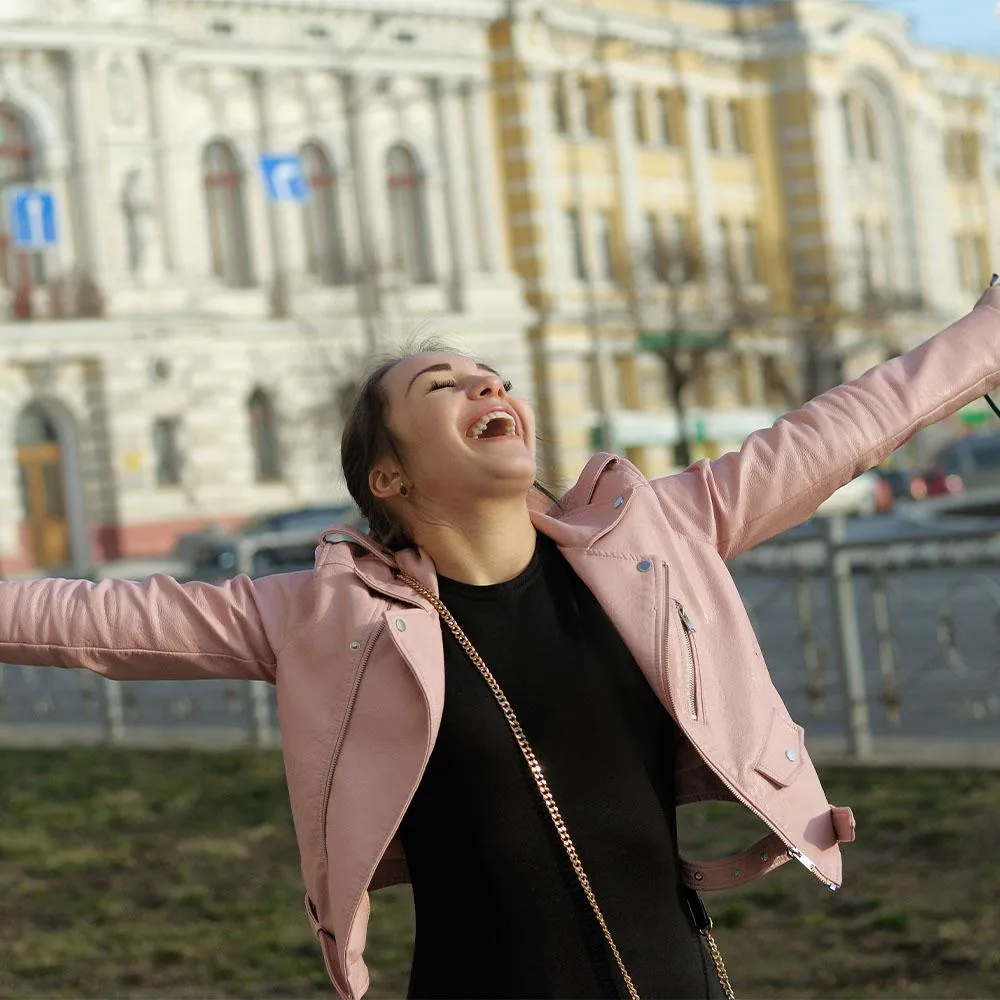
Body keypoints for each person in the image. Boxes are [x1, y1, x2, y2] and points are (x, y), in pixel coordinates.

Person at [2, 285, 1000, 1000]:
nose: (490, 387)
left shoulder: (655, 537)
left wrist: (981, 338)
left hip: (675, 974)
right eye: (445, 385)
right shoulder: (321, 616)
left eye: (496, 377)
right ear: (388, 477)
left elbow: (840, 429)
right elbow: (86, 622)